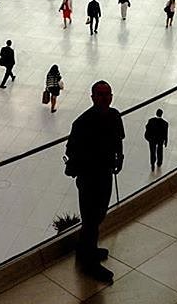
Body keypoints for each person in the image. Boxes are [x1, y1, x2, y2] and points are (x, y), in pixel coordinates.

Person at [64, 81, 124, 283]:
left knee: (97, 215)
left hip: (104, 173)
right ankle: (90, 263)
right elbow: (72, 150)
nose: (105, 98)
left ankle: (85, 250)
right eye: (100, 94)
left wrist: (120, 157)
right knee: (91, 218)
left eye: (107, 94)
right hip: (90, 178)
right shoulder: (82, 122)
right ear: (92, 97)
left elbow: (118, 140)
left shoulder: (114, 116)